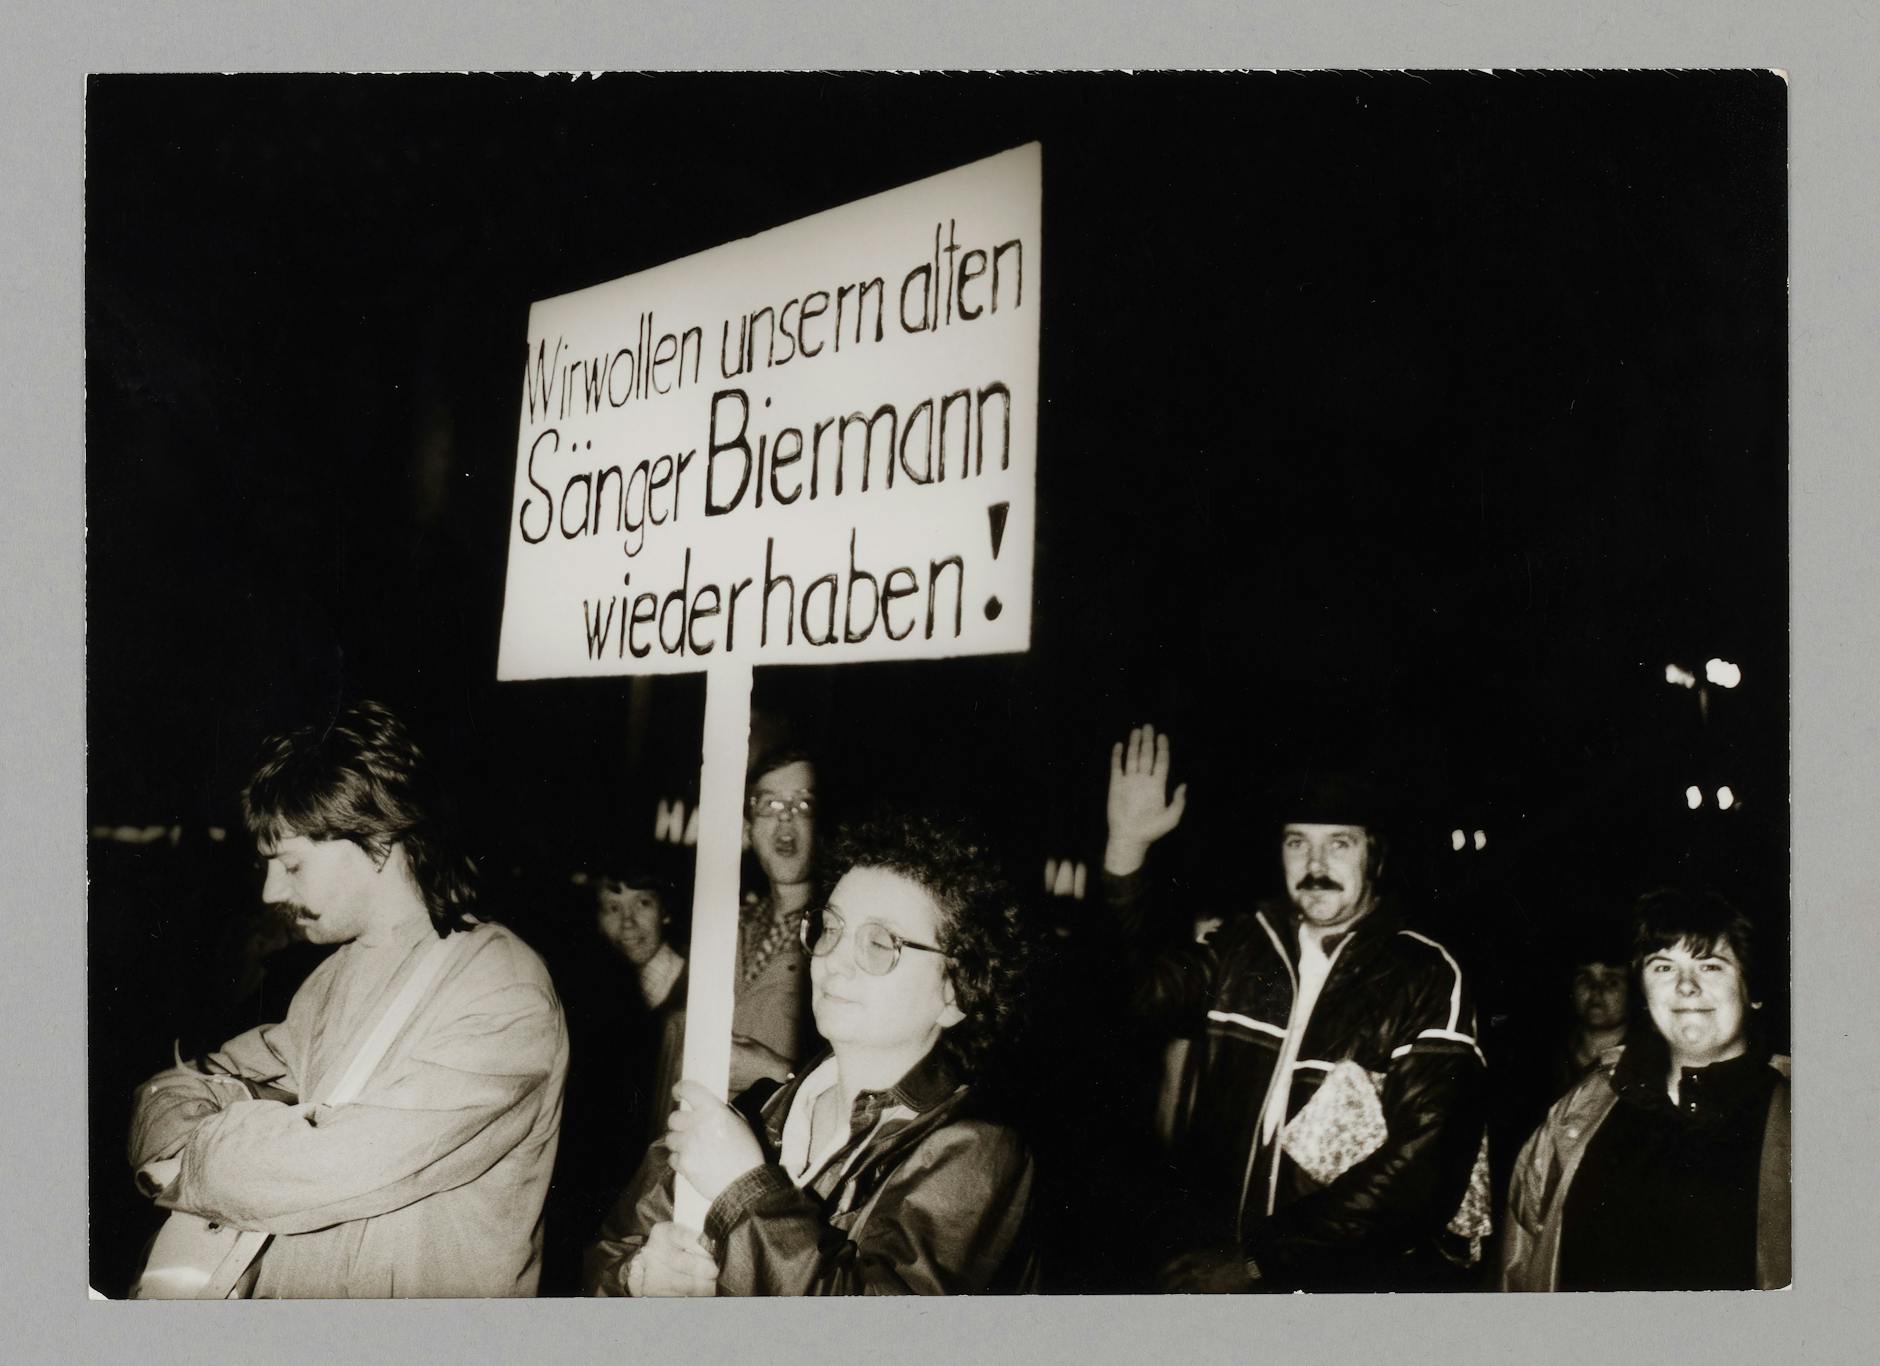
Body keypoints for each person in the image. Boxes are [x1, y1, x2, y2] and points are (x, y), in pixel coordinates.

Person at [126, 700, 569, 1297]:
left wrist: (193, 1156)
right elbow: (180, 1084)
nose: (270, 891)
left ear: (379, 842)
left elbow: (331, 1165)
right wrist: (193, 1130)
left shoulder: (502, 990)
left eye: (291, 865)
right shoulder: (334, 976)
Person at [582, 810, 1037, 1296]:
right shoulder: (755, 1110)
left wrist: (743, 1188)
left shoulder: (976, 1153)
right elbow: (606, 1254)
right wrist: (638, 1276)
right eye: (832, 927)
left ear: (956, 992)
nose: (833, 959)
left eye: (879, 943)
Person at [1103, 725, 1490, 1291]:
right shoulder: (1241, 948)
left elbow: (1423, 1168)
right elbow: (1129, 999)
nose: (1315, 863)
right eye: (1297, 842)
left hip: (1339, 1287)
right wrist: (1126, 851)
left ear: (1375, 856)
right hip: (1208, 1259)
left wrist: (1259, 1260)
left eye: (1340, 843)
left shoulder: (1425, 975)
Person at [1500, 889, 1790, 1291]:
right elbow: (1518, 1263)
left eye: (1710, 965)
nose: (1686, 986)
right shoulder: (1580, 1111)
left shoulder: (1800, 1123)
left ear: (1753, 990)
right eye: (1664, 967)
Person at [727, 747, 822, 1090]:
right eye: (770, 804)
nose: (786, 818)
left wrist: (781, 1074)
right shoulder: (732, 925)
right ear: (748, 829)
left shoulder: (836, 934)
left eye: (804, 804)